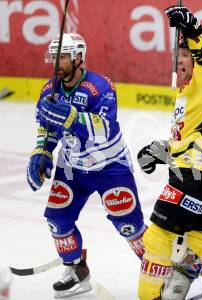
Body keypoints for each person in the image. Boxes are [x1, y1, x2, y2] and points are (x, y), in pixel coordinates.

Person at [26, 33, 147, 298]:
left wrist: (69, 116)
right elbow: (47, 125)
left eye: (64, 56)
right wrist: (42, 151)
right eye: (54, 56)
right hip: (71, 168)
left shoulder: (100, 86)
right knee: (58, 220)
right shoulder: (49, 89)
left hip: (110, 166)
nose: (57, 62)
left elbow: (104, 128)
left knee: (129, 225)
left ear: (79, 57)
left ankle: (159, 269)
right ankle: (76, 270)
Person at [136, 5, 202, 300]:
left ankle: (149, 297)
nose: (180, 60)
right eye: (177, 55)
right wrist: (160, 150)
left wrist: (192, 29)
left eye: (186, 55)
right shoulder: (187, 91)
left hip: (197, 178)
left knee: (157, 236)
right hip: (197, 175)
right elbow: (189, 140)